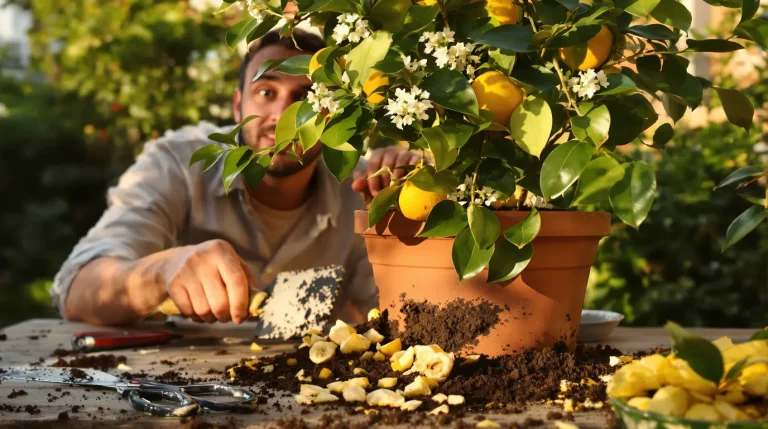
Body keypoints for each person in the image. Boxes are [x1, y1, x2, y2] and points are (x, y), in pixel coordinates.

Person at [50, 28, 420, 327]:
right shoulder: (176, 164)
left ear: (335, 116)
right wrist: (162, 270)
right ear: (238, 103)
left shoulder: (361, 187)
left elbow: (403, 317)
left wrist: (402, 221)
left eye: (308, 96)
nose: (283, 115)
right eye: (266, 91)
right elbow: (78, 289)